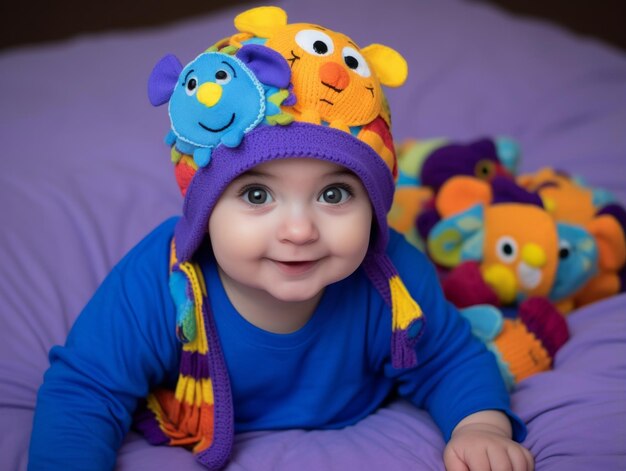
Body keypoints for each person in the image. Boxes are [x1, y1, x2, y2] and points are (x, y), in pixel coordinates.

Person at [28, 6, 533, 471]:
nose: (299, 231)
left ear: (376, 207)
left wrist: (480, 426)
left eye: (334, 194)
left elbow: (448, 359)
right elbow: (87, 389)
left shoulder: (395, 280)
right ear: (204, 211)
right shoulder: (161, 281)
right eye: (255, 195)